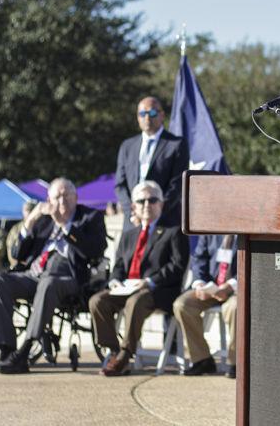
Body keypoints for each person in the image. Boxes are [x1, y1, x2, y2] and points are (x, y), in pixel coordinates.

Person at [0, 178, 107, 374]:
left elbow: (95, 249)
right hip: (35, 275)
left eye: (66, 195)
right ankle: (6, 351)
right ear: (48, 200)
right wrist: (30, 221)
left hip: (69, 277)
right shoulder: (43, 220)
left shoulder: (90, 217)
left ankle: (24, 353)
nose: (62, 200)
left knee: (48, 284)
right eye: (57, 196)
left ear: (76, 198)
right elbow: (18, 254)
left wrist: (65, 226)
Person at [89, 181, 189, 376]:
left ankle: (126, 355)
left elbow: (177, 266)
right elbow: (118, 266)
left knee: (135, 301)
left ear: (161, 204)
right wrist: (115, 281)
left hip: (158, 291)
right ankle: (114, 351)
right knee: (97, 301)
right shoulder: (129, 235)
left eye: (152, 200)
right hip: (127, 288)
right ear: (133, 206)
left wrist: (150, 281)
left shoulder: (173, 231)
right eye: (141, 201)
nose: (147, 205)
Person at [114, 96, 189, 230]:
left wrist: (156, 211)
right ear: (138, 117)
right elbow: (120, 184)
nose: (147, 117)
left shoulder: (176, 144)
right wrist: (133, 212)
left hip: (164, 223)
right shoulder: (127, 146)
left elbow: (178, 184)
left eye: (152, 113)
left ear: (162, 115)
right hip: (133, 223)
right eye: (143, 113)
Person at [173, 234, 238, 378]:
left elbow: (254, 262)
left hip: (236, 290)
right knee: (182, 304)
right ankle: (202, 359)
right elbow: (199, 259)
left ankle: (236, 362)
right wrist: (200, 283)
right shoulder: (210, 230)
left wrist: (230, 286)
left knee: (235, 307)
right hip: (210, 287)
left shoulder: (247, 231)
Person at [5, 200, 37, 268]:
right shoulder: (16, 228)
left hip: (36, 265)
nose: (29, 212)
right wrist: (15, 263)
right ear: (23, 211)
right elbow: (10, 247)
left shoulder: (41, 226)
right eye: (26, 210)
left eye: (31, 210)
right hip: (17, 265)